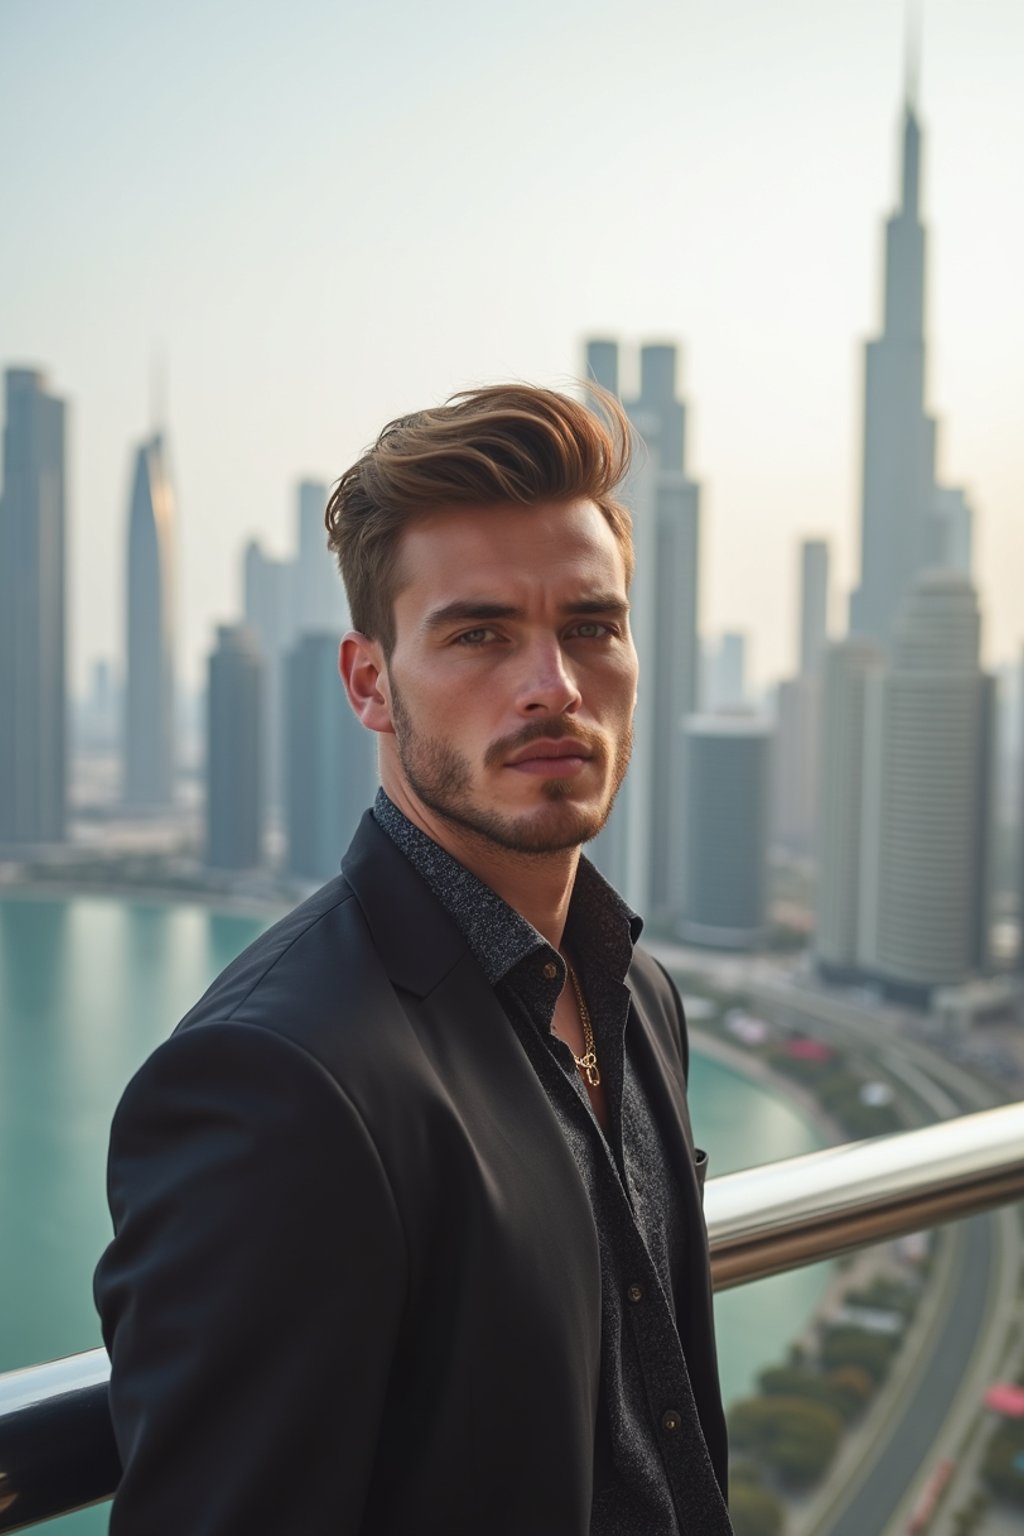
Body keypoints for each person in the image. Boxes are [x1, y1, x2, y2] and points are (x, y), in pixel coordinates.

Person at [94, 384, 733, 1535]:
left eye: (590, 626)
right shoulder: (274, 1082)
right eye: (479, 633)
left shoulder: (633, 988)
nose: (555, 685)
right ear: (367, 682)